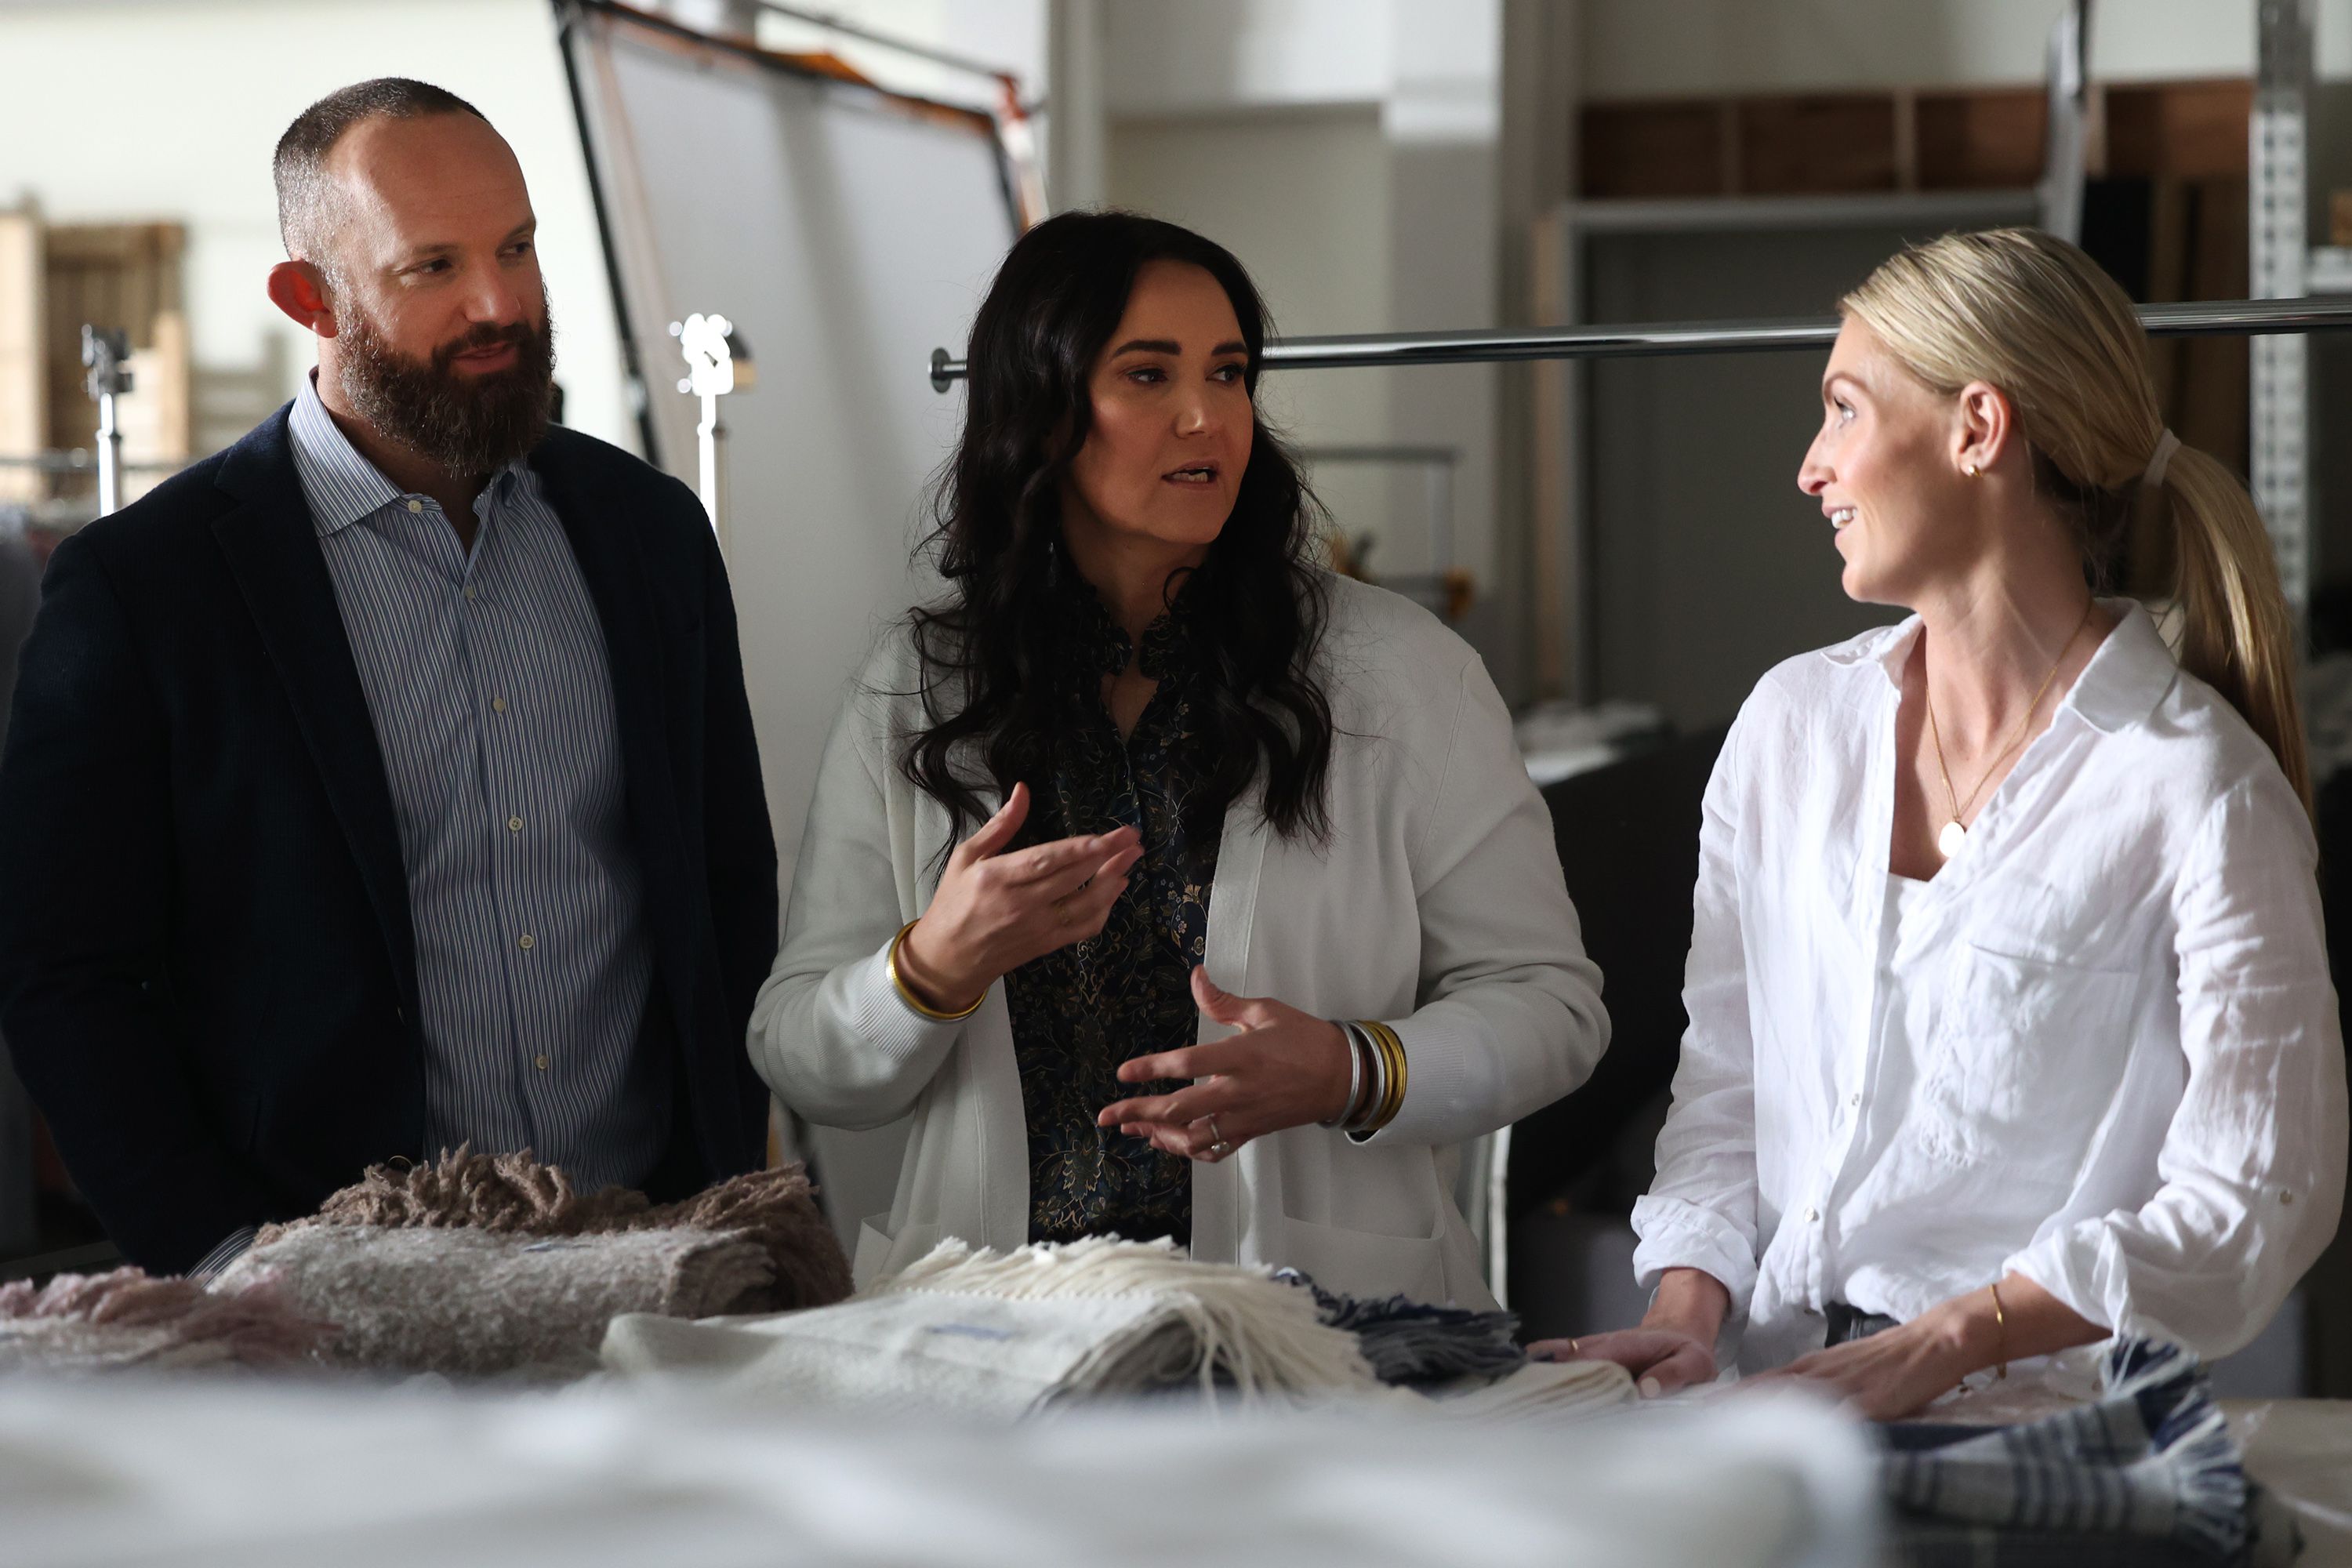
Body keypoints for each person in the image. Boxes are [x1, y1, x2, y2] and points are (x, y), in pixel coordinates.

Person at [1537, 227, 2348, 1417]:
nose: (1811, 468)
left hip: (2045, 1435)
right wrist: (1685, 1315)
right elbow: (1725, 1086)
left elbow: (2258, 1193)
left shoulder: (2198, 791)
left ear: (1979, 429)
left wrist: (1950, 1340)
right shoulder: (1789, 731)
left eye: (1844, 409)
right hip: (1783, 1410)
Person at [750, 212, 1606, 1305]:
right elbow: (799, 1054)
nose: (1208, 416)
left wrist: (1350, 1069)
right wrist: (932, 966)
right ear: (1042, 410)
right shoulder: (920, 681)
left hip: (1317, 1335)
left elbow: (1552, 1005)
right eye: (1148, 375)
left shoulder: (1398, 668)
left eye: (1230, 372)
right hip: (991, 1342)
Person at [0, 78, 777, 1276]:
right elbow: (66, 974)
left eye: (516, 247)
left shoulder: (651, 536)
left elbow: (724, 885)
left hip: (652, 1261)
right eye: (433, 268)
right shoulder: (144, 590)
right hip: (322, 1299)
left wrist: (728, 1196)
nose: (500, 304)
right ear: (308, 296)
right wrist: (224, 1262)